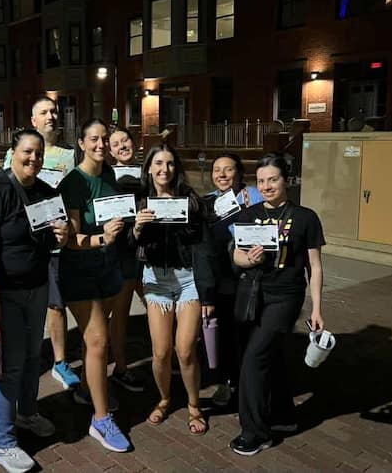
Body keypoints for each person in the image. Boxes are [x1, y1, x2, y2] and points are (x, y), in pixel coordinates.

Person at [0, 129, 69, 473]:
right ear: (12, 152)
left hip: (37, 288)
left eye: (39, 153)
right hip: (4, 293)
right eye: (27, 151)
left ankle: (27, 413)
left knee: (31, 357)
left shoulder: (47, 192)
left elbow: (54, 240)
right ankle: (2, 442)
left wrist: (63, 236)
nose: (34, 159)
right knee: (8, 367)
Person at [229, 153, 325, 456]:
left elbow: (315, 266)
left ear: (286, 180)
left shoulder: (306, 217)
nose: (266, 186)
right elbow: (237, 254)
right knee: (272, 355)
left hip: (286, 296)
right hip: (254, 293)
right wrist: (248, 259)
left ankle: (255, 432)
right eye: (261, 181)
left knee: (254, 358)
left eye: (273, 179)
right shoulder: (249, 214)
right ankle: (283, 416)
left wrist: (317, 308)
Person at [131, 143, 216, 434]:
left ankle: (194, 405)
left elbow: (203, 248)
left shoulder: (190, 200)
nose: (163, 169)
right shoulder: (140, 201)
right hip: (156, 282)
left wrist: (207, 292)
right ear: (149, 168)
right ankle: (165, 399)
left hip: (188, 280)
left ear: (176, 168)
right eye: (158, 163)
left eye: (169, 163)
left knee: (186, 350)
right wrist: (136, 229)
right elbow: (128, 245)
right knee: (160, 352)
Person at [57, 118, 131, 453]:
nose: (101, 145)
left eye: (105, 139)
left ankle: (88, 389)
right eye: (94, 140)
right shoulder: (74, 182)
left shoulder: (109, 174)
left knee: (93, 341)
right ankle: (101, 420)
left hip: (108, 268)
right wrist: (103, 238)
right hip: (80, 271)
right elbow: (71, 240)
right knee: (99, 339)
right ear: (82, 144)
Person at [3, 97, 80, 391]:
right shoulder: (16, 153)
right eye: (44, 112)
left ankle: (60, 361)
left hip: (55, 239)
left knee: (56, 304)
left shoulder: (69, 155)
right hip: (23, 245)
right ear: (33, 120)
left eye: (54, 111)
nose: (51, 116)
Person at [205, 153, 264, 408]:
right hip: (223, 278)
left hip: (251, 277)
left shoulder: (253, 196)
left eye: (228, 169)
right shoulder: (208, 201)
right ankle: (228, 381)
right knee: (227, 332)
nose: (222, 174)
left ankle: (252, 383)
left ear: (239, 173)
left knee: (251, 332)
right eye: (217, 170)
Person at [106, 127, 144, 393]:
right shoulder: (108, 176)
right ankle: (120, 367)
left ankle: (172, 357)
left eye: (125, 140)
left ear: (134, 142)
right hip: (124, 250)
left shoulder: (148, 170)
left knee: (160, 306)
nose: (122, 146)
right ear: (110, 151)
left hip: (150, 248)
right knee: (121, 311)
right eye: (115, 143)